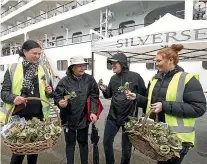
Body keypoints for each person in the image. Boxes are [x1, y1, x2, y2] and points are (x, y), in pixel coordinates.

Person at [126, 44, 206, 164]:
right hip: (160, 137)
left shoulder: (188, 79)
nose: (156, 64)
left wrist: (165, 106)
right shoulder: (154, 79)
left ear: (170, 60)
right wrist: (137, 97)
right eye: (155, 61)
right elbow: (150, 103)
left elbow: (199, 108)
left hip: (178, 139)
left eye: (159, 60)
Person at [0, 40, 53, 164]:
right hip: (19, 118)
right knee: (18, 152)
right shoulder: (12, 68)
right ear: (25, 52)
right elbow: (4, 93)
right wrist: (14, 98)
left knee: (34, 151)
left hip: (38, 117)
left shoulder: (43, 69)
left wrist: (49, 91)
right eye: (34, 53)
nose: (37, 56)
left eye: (39, 54)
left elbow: (50, 94)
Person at [100, 52, 147, 164]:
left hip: (129, 119)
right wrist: (104, 90)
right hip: (113, 116)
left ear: (122, 63)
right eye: (111, 63)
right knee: (106, 142)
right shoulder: (113, 78)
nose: (112, 65)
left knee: (126, 148)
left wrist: (137, 99)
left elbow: (144, 97)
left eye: (114, 63)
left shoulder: (136, 77)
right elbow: (108, 95)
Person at [53, 56, 100, 164]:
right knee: (70, 144)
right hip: (68, 118)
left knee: (83, 142)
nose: (82, 68)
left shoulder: (89, 79)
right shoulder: (64, 81)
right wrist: (60, 102)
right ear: (72, 68)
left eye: (84, 65)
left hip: (83, 117)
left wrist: (93, 111)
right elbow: (57, 96)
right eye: (79, 66)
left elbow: (94, 96)